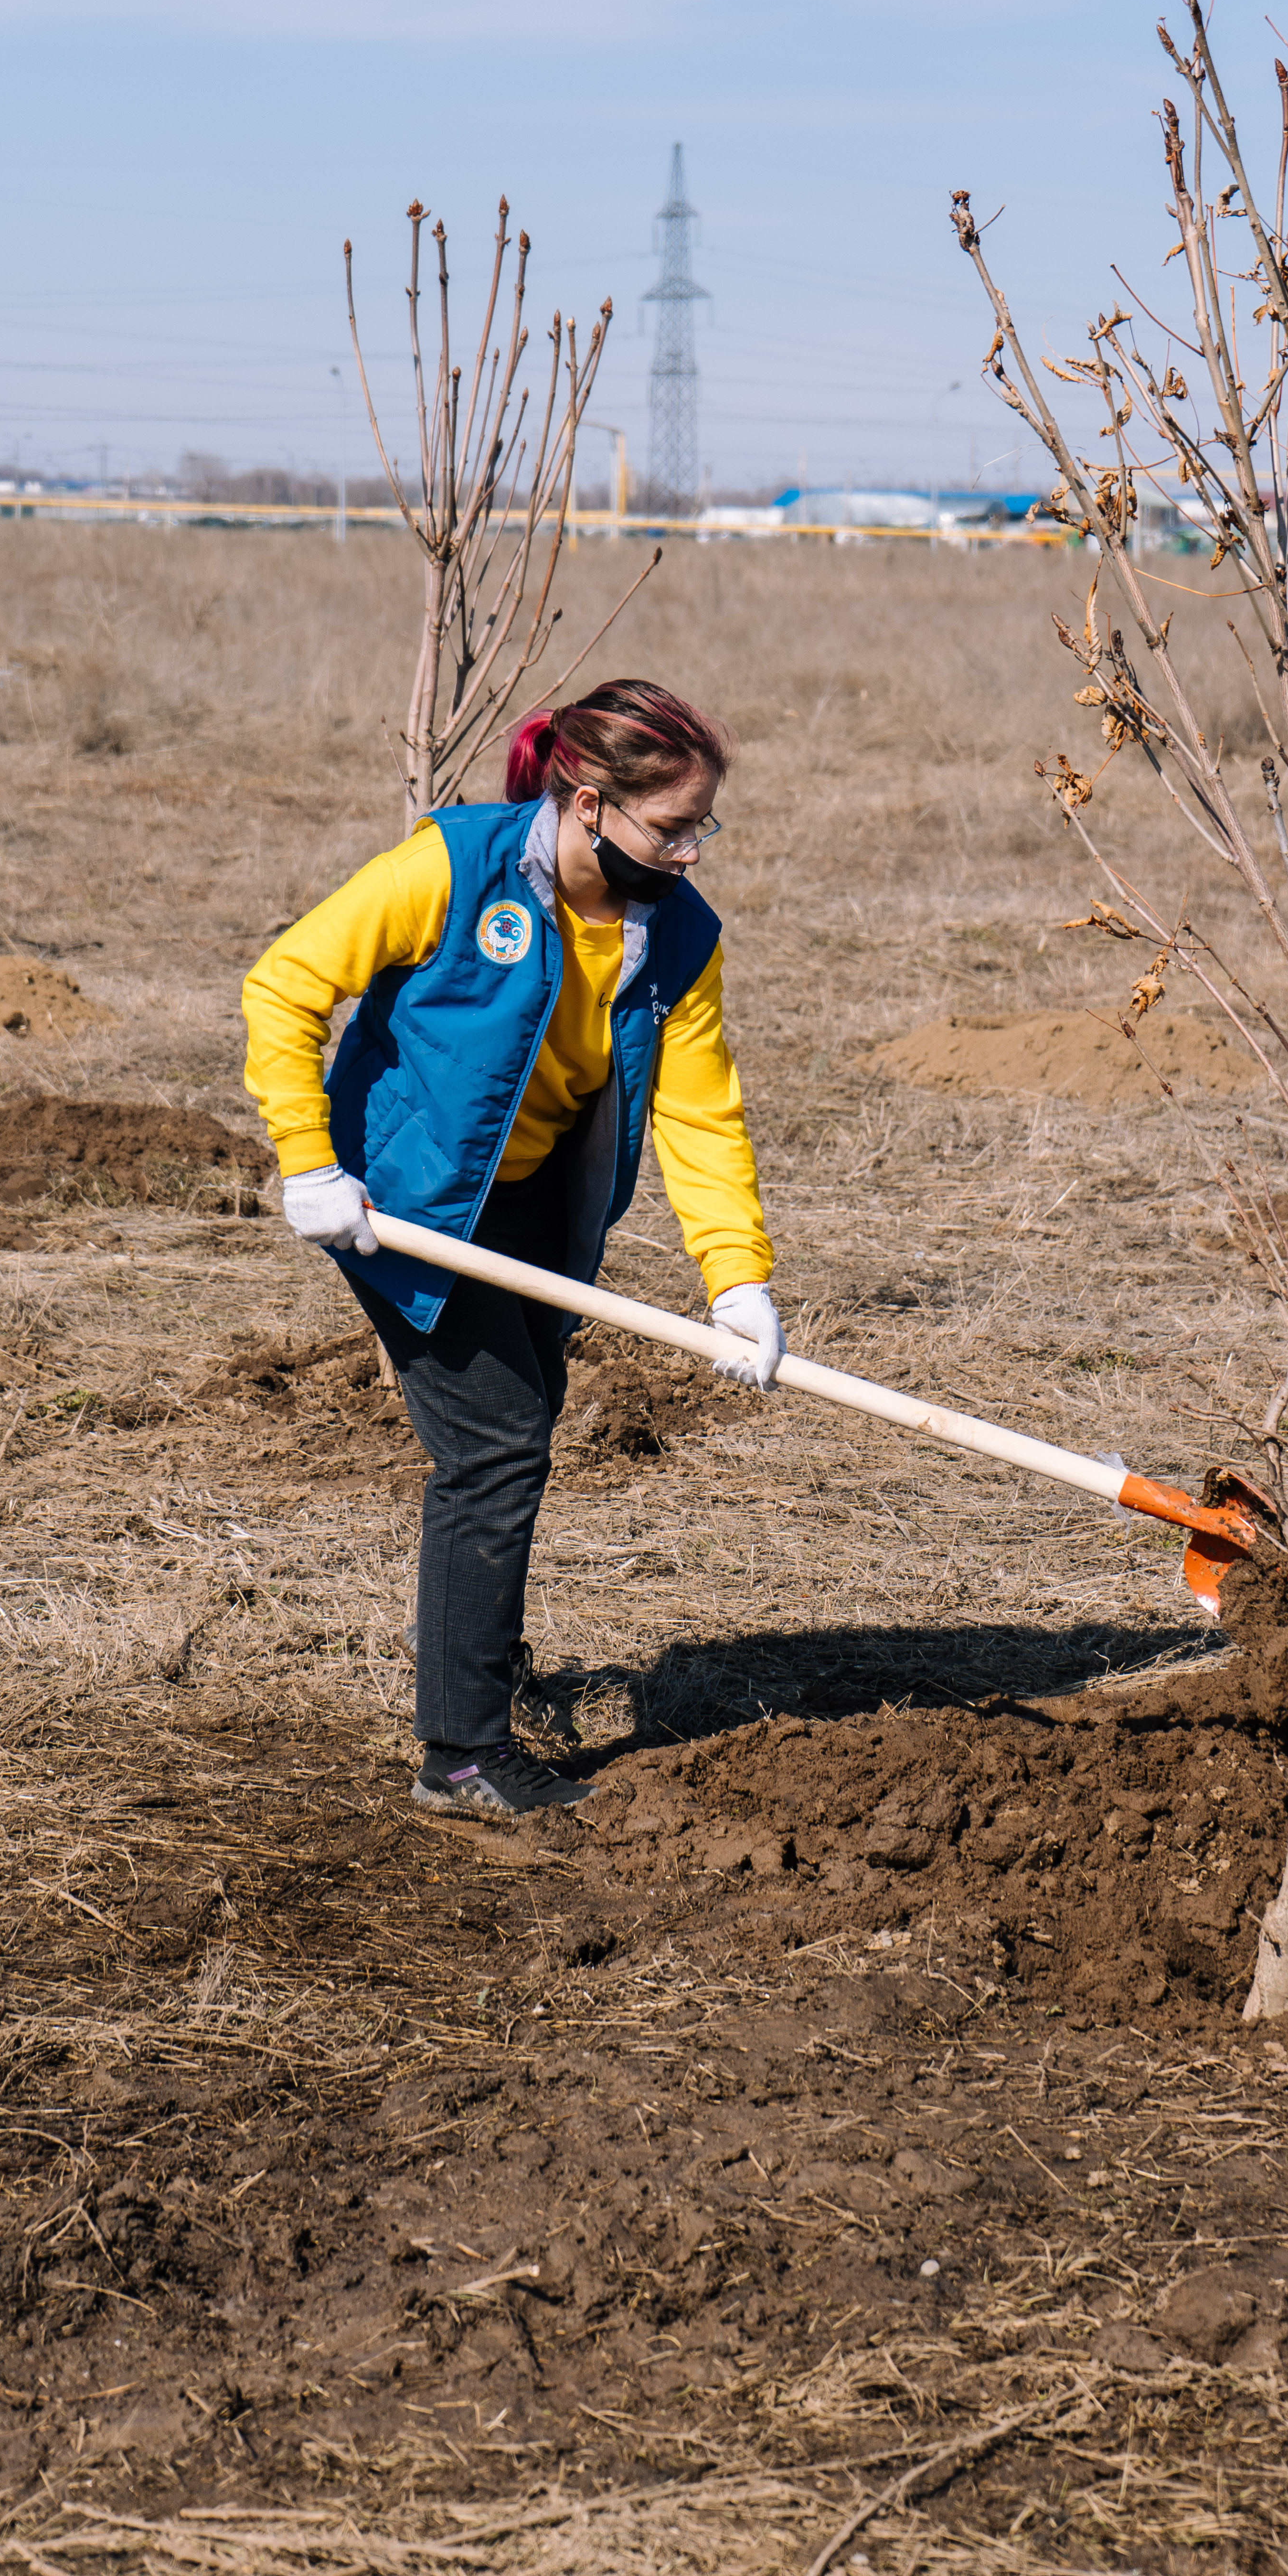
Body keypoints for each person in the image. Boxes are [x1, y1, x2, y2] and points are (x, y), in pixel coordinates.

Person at [241, 679, 783, 1819]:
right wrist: (311, 1164)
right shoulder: (456, 867)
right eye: (671, 827)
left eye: (702, 827)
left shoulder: (676, 936)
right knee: (494, 1447)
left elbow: (698, 1112)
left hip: (538, 1201)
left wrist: (737, 1283)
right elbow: (287, 983)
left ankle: (475, 1661)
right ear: (588, 803)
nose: (691, 851)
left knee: (522, 1417)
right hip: (401, 1200)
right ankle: (463, 1753)